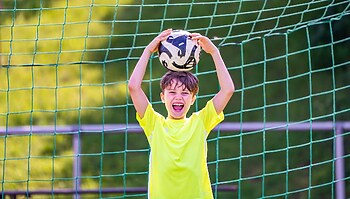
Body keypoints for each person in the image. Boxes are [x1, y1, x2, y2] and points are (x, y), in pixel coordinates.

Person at [128, 28, 235, 199]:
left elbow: (228, 89)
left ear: (193, 99)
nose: (179, 98)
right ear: (162, 97)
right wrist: (148, 50)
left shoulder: (200, 121)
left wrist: (214, 52)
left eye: (185, 93)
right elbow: (133, 87)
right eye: (172, 92)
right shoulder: (154, 123)